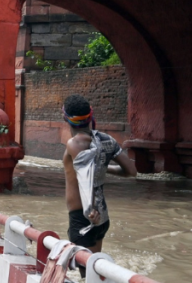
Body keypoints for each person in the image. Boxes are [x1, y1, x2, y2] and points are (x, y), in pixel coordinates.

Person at [62, 94, 137, 278]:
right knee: (94, 272)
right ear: (90, 116)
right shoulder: (106, 139)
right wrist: (104, 168)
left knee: (87, 274)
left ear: (65, 117)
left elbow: (85, 179)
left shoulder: (75, 143)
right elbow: (131, 171)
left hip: (84, 216)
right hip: (101, 218)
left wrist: (90, 208)